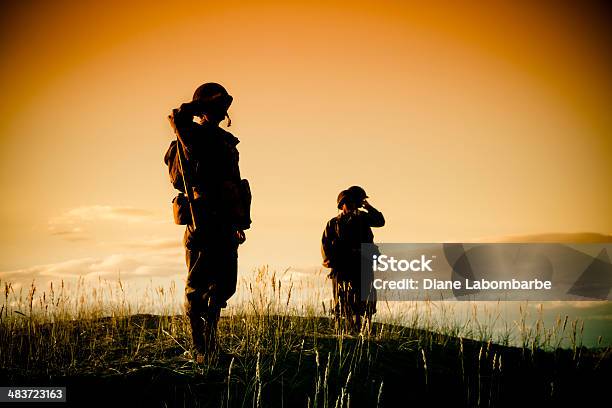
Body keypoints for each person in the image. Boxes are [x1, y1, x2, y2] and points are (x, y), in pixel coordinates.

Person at [165, 83, 251, 362]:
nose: (221, 111)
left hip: (226, 220)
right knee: (199, 286)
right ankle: (201, 349)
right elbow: (178, 118)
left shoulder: (227, 141)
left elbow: (236, 184)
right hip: (202, 218)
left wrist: (239, 221)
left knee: (224, 285)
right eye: (214, 106)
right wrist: (196, 106)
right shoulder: (191, 135)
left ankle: (213, 345)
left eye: (222, 106)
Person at [321, 186, 385, 332]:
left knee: (364, 296)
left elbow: (380, 221)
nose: (353, 206)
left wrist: (368, 207)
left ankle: (363, 328)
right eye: (352, 202)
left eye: (356, 203)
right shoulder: (333, 223)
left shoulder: (363, 218)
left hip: (362, 263)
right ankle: (346, 328)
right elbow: (325, 243)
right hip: (342, 265)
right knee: (342, 297)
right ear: (342, 204)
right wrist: (330, 261)